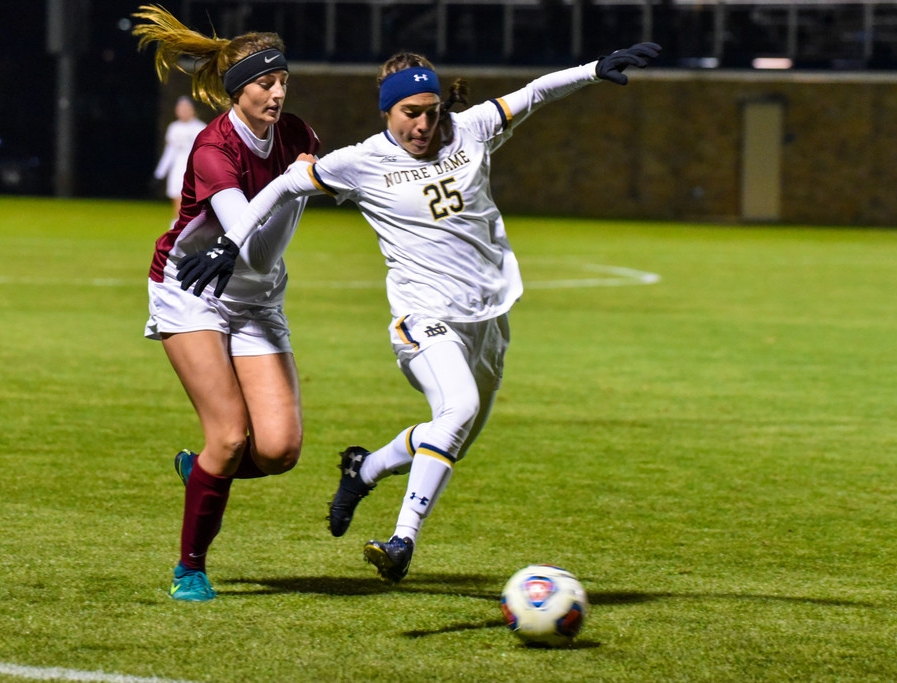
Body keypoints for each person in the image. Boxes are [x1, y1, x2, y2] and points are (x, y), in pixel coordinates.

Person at [176, 42, 661, 583]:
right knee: (456, 410)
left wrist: (592, 70)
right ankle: (402, 540)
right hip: (422, 318)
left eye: (432, 111)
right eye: (411, 113)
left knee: (451, 434)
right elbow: (285, 185)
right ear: (388, 112)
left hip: (488, 320)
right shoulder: (359, 163)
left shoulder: (470, 129)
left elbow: (534, 93)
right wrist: (230, 241)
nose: (424, 124)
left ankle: (366, 469)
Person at [131, 4, 321, 601]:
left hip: (257, 299)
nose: (278, 91)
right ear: (239, 90)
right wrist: (296, 182)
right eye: (266, 82)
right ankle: (190, 567)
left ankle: (202, 471)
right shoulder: (214, 149)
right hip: (192, 292)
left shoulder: (298, 135)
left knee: (280, 449)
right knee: (232, 434)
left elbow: (263, 262)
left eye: (283, 80)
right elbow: (256, 246)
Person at [153, 95, 207, 218]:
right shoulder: (174, 128)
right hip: (177, 169)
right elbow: (169, 152)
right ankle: (176, 229)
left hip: (193, 168)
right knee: (176, 198)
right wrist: (159, 173)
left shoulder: (200, 127)